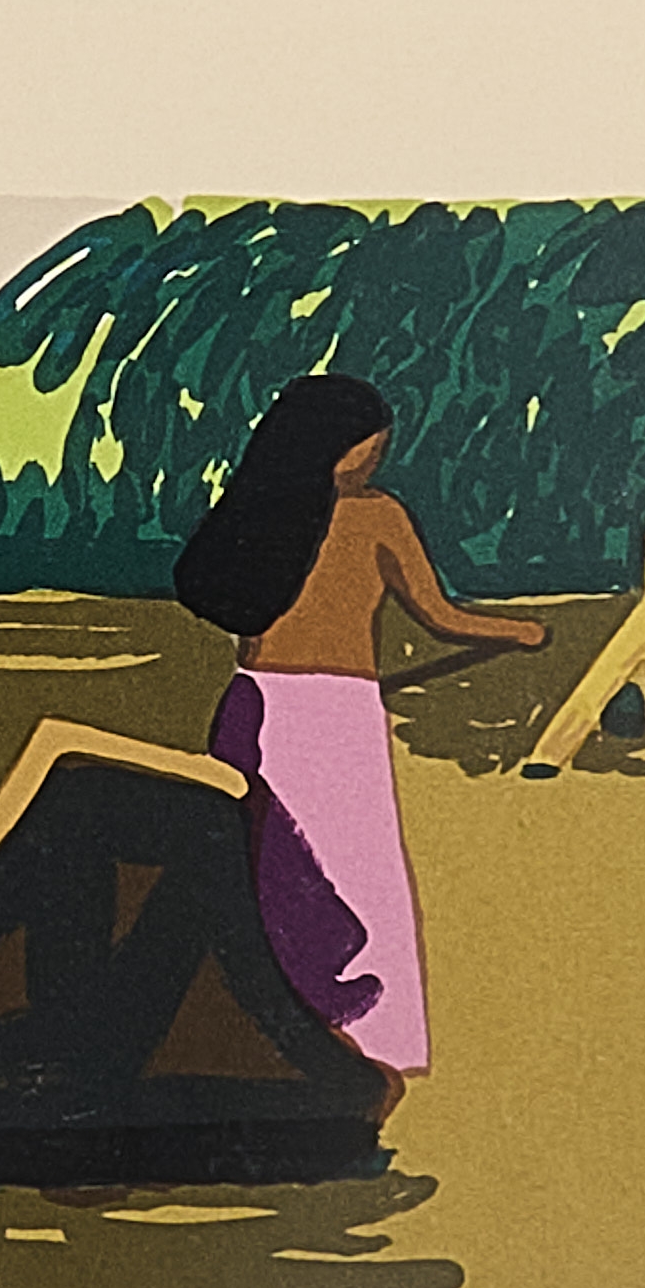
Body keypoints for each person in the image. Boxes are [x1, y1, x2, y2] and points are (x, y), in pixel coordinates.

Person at [173, 375, 546, 1081]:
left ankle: (267, 1029)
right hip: (332, 719)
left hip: (255, 704)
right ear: (338, 446)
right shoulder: (375, 516)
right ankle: (374, 1038)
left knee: (263, 870)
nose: (377, 456)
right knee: (352, 873)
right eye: (370, 445)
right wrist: (517, 631)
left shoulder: (262, 513)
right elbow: (440, 616)